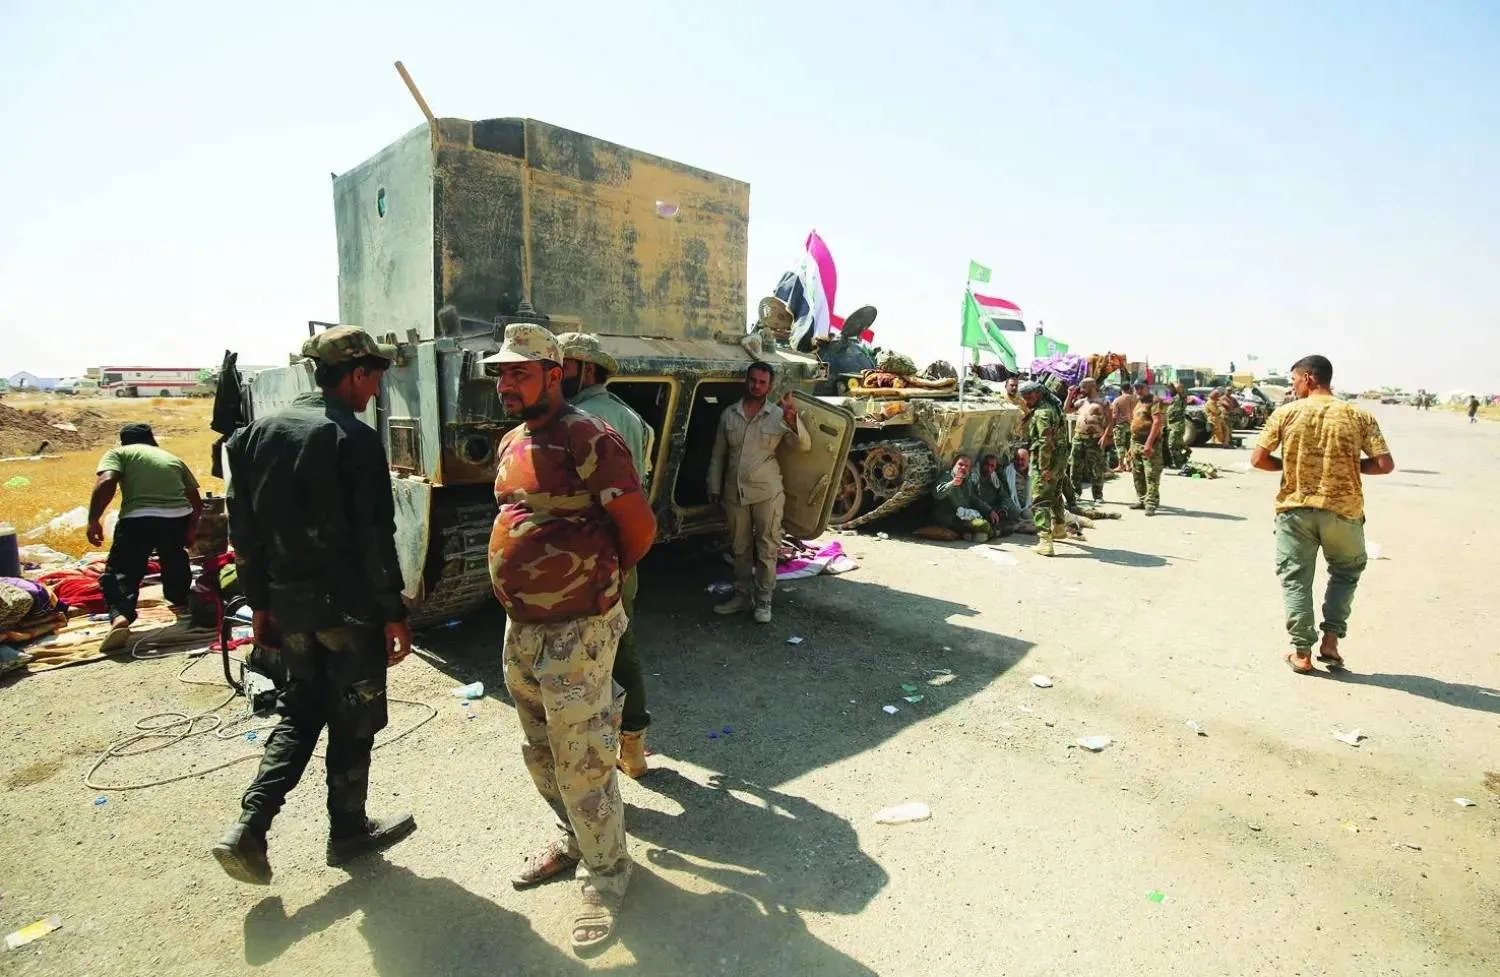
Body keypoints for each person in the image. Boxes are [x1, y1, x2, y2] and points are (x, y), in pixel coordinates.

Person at [213, 327, 415, 887]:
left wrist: (258, 605)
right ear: (355, 374)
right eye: (374, 378)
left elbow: (243, 533)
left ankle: (249, 827)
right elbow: (375, 535)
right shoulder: (352, 437)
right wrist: (393, 611)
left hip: (289, 609)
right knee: (354, 717)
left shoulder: (251, 437)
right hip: (349, 612)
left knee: (302, 709)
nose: (375, 391)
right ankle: (348, 830)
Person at [485, 324, 658, 952]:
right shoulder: (513, 441)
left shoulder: (589, 436)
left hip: (578, 628)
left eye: (519, 372)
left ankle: (607, 874)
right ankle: (572, 837)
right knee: (540, 748)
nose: (505, 383)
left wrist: (596, 586)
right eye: (501, 373)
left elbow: (638, 528)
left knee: (583, 753)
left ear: (554, 374)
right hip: (523, 627)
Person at [1250, 354, 1394, 675]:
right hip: (1344, 511)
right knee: (1345, 573)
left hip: (1295, 511)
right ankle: (1330, 641)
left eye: (1294, 380)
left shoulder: (1285, 414)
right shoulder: (1358, 415)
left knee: (1296, 580)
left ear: (1310, 378)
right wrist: (1347, 466)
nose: (1293, 387)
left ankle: (1302, 653)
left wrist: (1287, 466)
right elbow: (1384, 464)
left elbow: (1258, 459)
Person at [556, 332, 655, 780]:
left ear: (588, 370)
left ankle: (587, 755)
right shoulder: (633, 419)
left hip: (577, 560)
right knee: (620, 643)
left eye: (566, 366)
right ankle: (633, 746)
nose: (558, 375)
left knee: (575, 653)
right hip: (620, 554)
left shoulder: (571, 420)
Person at [707, 361, 811, 624]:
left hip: (767, 492)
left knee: (767, 548)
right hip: (735, 492)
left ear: (770, 385)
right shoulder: (729, 414)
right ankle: (742, 597)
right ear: (747, 381)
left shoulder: (777, 415)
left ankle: (764, 602)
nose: (756, 385)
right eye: (753, 380)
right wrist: (714, 486)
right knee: (740, 548)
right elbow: (718, 454)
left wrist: (792, 419)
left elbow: (804, 446)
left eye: (762, 382)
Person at [86, 423, 203, 634]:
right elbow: (195, 498)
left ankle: (121, 615)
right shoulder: (171, 458)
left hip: (138, 518)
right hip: (176, 516)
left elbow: (107, 480)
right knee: (174, 560)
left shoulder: (119, 453)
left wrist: (94, 519)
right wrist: (191, 528)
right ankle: (181, 602)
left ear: (124, 441)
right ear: (152, 439)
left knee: (123, 569)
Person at [1019, 380, 1068, 556]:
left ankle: (1045, 541)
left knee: (1040, 499)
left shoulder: (1042, 413)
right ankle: (1060, 527)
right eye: (1024, 398)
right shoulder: (1053, 406)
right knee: (1054, 493)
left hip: (1047, 461)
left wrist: (1044, 467)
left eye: (1029, 397)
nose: (1026, 401)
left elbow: (1045, 442)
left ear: (1039, 394)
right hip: (1059, 460)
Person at [931, 455, 1000, 541]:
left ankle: (971, 533)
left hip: (965, 515)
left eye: (967, 466)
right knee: (983, 525)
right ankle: (977, 533)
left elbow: (973, 498)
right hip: (950, 518)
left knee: (990, 521)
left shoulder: (966, 480)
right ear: (954, 465)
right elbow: (937, 494)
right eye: (960, 464)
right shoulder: (947, 477)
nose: (963, 468)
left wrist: (989, 510)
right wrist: (952, 484)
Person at [1066, 378, 1112, 504]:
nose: (1081, 390)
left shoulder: (1103, 402)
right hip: (1079, 438)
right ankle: (1076, 493)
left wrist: (1105, 436)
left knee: (1096, 468)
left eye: (1083, 387)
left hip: (1095, 439)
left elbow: (1110, 421)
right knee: (1075, 467)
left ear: (1092, 386)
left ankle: (1098, 495)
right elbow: (1067, 410)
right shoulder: (1081, 402)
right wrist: (1070, 394)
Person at [1128, 383, 1166, 515]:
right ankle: (1142, 499)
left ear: (1147, 388)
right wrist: (1130, 447)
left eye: (1141, 388)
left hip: (1150, 442)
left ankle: (1151, 503)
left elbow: (1157, 422)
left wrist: (1149, 443)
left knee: (1151, 474)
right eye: (1136, 388)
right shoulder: (1138, 402)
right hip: (1136, 442)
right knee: (1137, 473)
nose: (1138, 390)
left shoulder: (1154, 401)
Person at [973, 452, 1026, 533]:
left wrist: (1003, 509)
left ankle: (1015, 524)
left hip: (993, 508)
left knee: (1014, 511)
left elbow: (1004, 496)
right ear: (982, 465)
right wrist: (989, 510)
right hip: (980, 509)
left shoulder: (994, 479)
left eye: (992, 466)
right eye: (986, 464)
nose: (988, 468)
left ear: (995, 467)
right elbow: (973, 498)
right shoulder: (975, 478)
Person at [1109, 382, 1137, 471]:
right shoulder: (1135, 399)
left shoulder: (1118, 400)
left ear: (1121, 389)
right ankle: (1130, 465)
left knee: (1120, 445)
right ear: (1129, 389)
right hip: (1132, 424)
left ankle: (1120, 465)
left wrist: (1111, 427)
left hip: (1121, 426)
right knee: (1130, 446)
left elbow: (1114, 415)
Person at [1165, 381, 1191, 468]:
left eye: (1170, 388)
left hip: (1177, 425)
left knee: (1172, 444)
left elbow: (1181, 393)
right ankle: (1180, 458)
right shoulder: (1173, 398)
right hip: (1171, 425)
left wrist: (1178, 388)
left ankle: (1178, 463)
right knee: (1176, 444)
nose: (1168, 390)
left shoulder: (1180, 397)